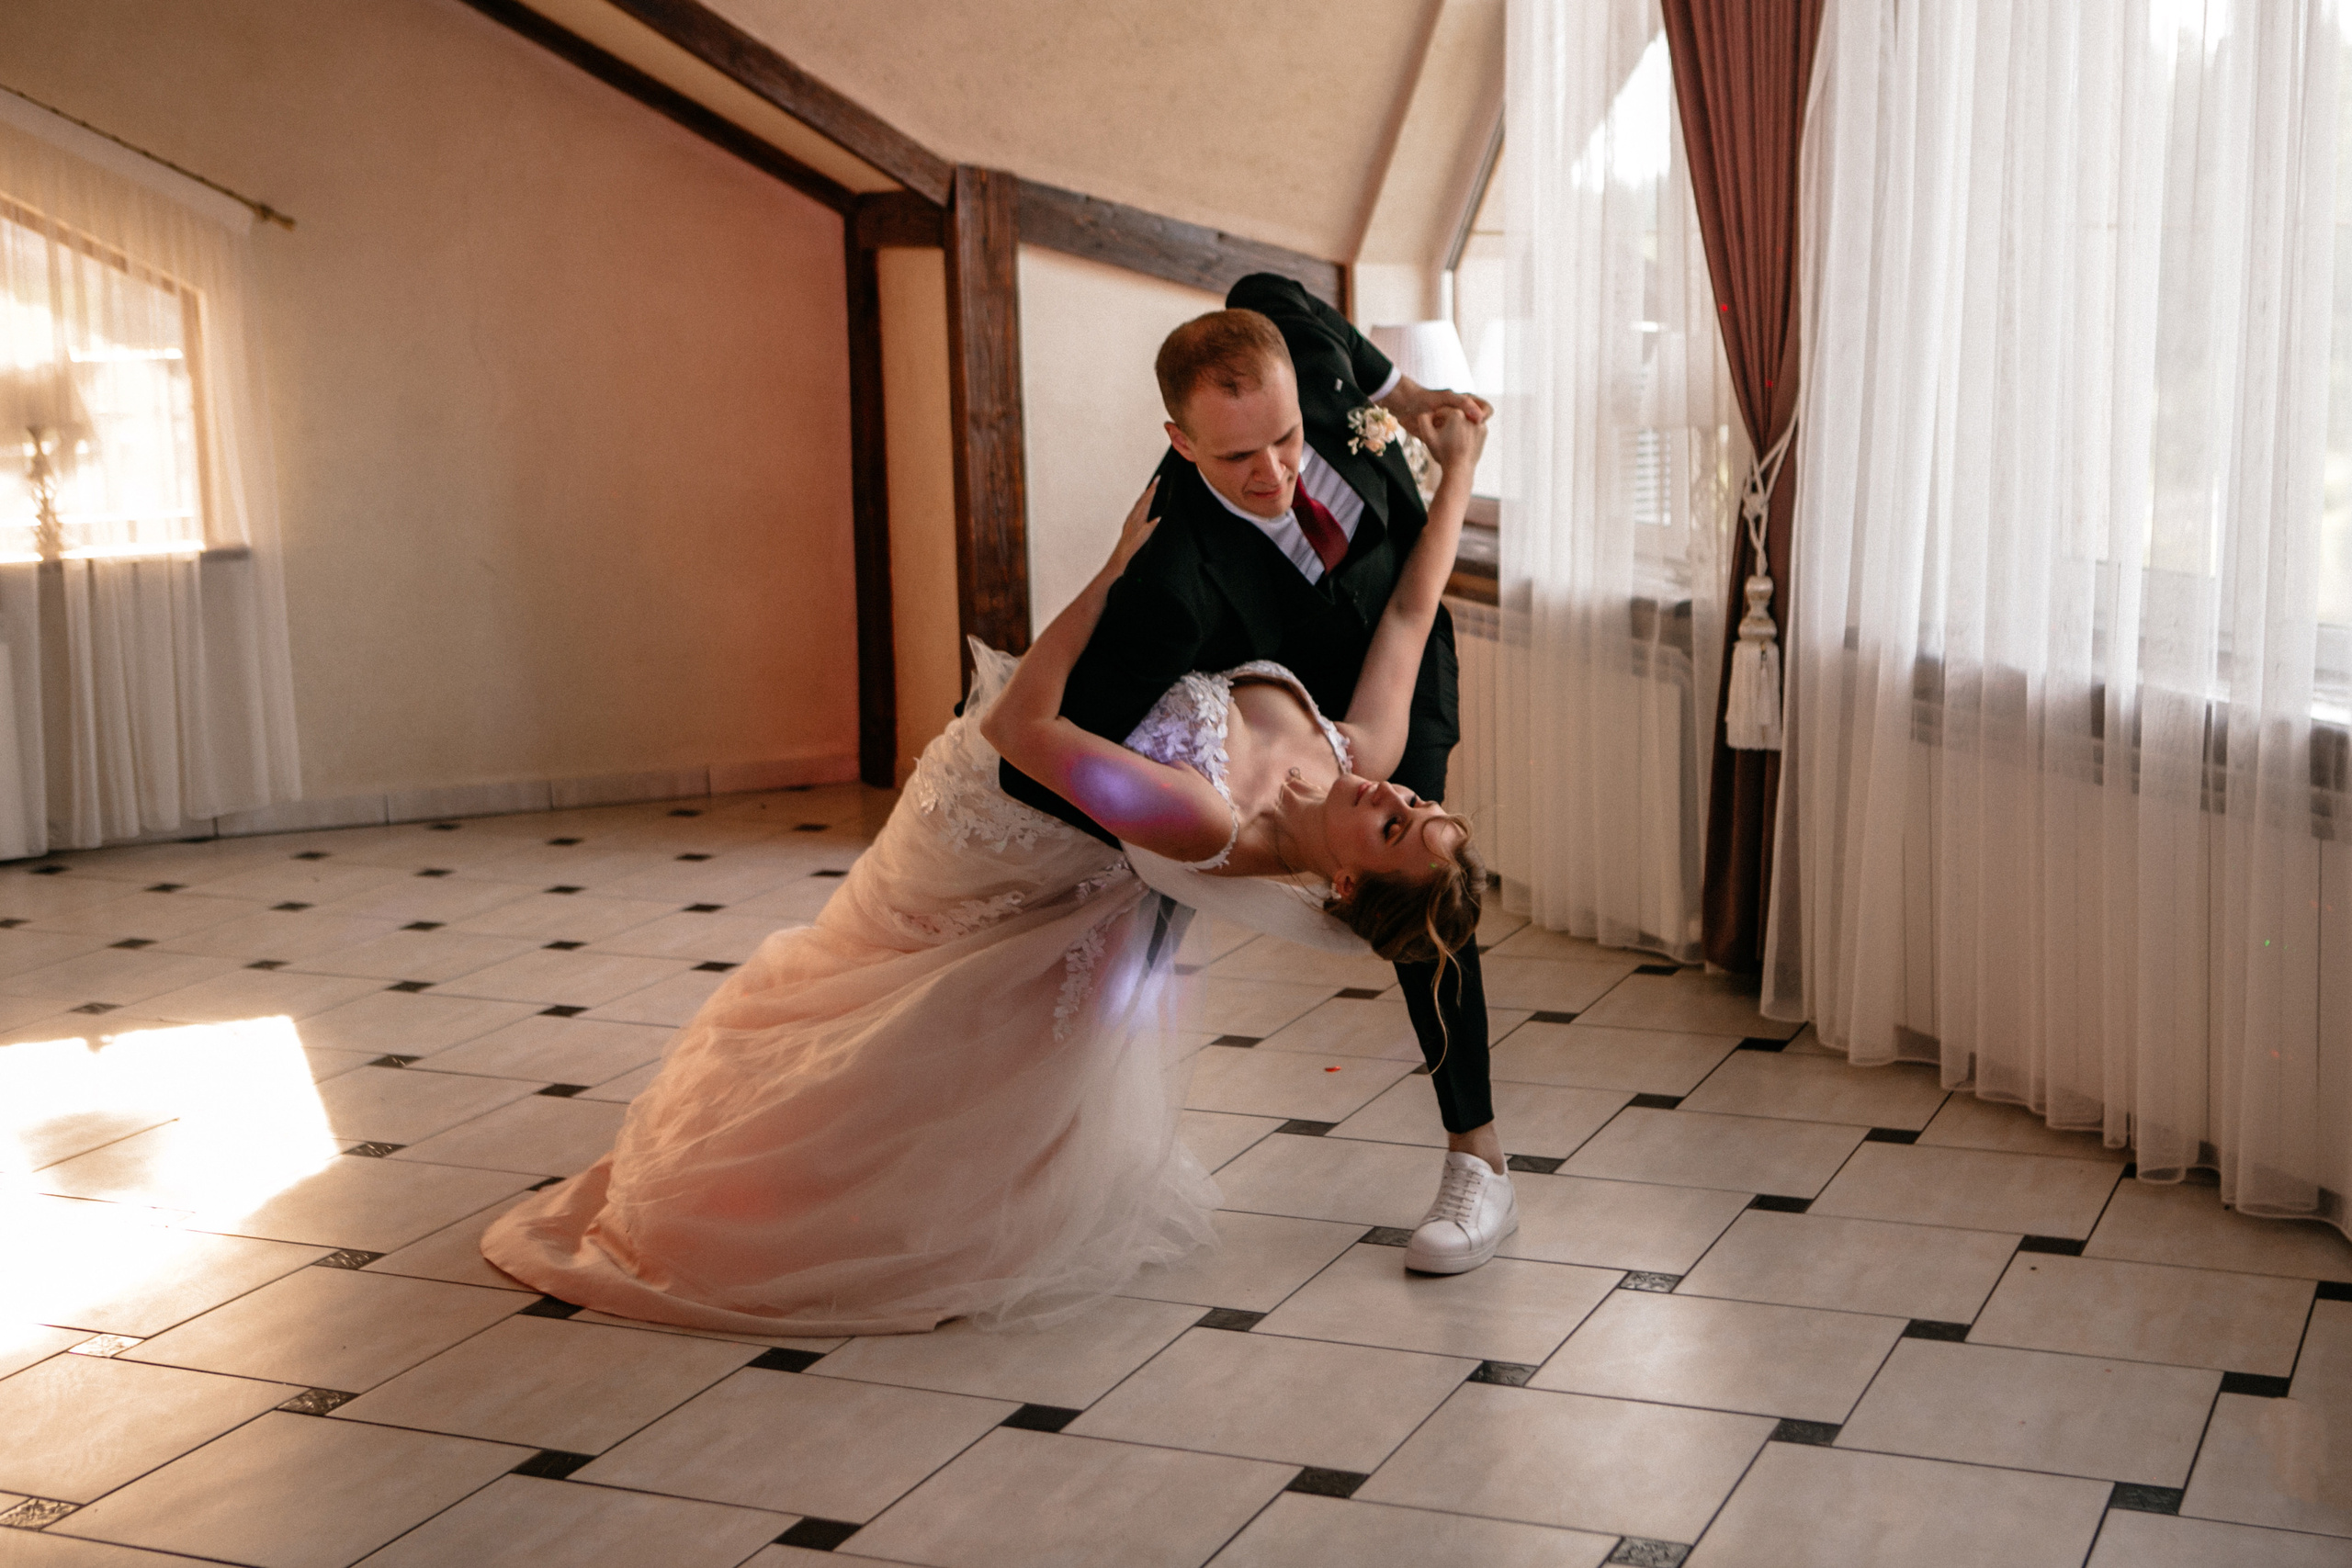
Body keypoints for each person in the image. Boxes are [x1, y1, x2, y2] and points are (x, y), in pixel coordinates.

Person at [478, 394, 1488, 1337]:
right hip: (1033, 803)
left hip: (986, 822)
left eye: (1396, 829)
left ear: (1346, 884)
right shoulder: (1363, 753)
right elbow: (1408, 613)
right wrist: (1459, 467)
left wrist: (1112, 569)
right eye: (1421, 805)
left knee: (883, 1010)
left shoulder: (1200, 818)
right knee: (871, 986)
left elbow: (1015, 726)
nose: (1399, 798)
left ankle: (775, 1200)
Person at [998, 276, 1517, 1275]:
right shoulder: (1172, 581)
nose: (1277, 472)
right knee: (1118, 929)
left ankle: (1478, 1155)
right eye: (1237, 458)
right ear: (1181, 442)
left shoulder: (1299, 369)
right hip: (1289, 725)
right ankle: (1066, 1146)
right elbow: (1035, 761)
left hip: (1398, 685)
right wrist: (1199, 848)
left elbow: (1266, 290)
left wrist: (1406, 404)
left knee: (1425, 903)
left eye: (1285, 439)